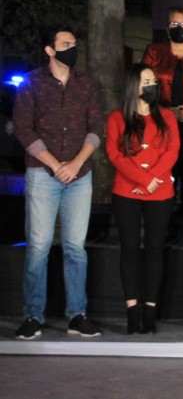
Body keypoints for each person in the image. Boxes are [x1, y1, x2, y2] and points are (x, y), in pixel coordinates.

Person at [12, 26, 105, 339]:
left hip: (80, 175)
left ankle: (77, 314)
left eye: (74, 44)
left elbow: (96, 128)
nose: (72, 48)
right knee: (38, 246)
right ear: (50, 50)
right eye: (65, 44)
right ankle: (32, 316)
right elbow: (24, 130)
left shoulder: (87, 84)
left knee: (75, 247)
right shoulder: (31, 83)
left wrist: (76, 164)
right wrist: (55, 165)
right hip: (42, 173)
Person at [106, 63, 180, 334]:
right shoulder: (117, 118)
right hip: (126, 191)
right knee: (129, 250)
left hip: (160, 191)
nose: (152, 85)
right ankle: (132, 310)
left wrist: (151, 180)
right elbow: (115, 155)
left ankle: (150, 310)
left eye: (153, 81)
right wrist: (142, 179)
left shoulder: (167, 117)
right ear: (132, 86)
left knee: (154, 249)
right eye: (146, 81)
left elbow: (172, 151)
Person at [142, 6, 183, 245]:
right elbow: (144, 84)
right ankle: (162, 225)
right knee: (164, 174)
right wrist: (163, 111)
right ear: (167, 28)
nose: (178, 28)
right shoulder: (154, 51)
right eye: (173, 24)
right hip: (162, 124)